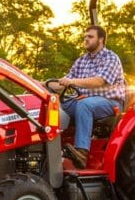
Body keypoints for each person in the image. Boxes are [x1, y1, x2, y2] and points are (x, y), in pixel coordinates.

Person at [48, 25, 126, 169]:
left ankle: (82, 153)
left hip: (110, 102)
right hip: (86, 101)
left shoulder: (111, 58)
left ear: (101, 39)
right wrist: (39, 84)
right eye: (85, 37)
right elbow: (63, 83)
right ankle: (52, 150)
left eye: (90, 37)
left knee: (84, 105)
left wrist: (72, 82)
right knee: (57, 104)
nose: (86, 39)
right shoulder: (81, 61)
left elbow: (100, 81)